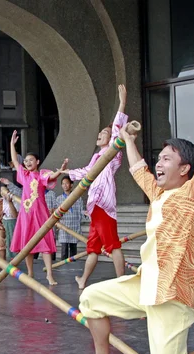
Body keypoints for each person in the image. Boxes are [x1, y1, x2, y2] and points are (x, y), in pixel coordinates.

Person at [69, 72, 194, 354]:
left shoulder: (193, 194)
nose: (159, 163)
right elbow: (139, 171)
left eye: (167, 158)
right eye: (159, 158)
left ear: (184, 169)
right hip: (146, 285)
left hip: (174, 294)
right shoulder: (160, 194)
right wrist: (129, 142)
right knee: (91, 299)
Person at [65, 84, 128, 288]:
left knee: (112, 245)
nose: (101, 133)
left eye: (105, 132)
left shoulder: (113, 152)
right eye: (101, 131)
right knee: (93, 247)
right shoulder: (97, 157)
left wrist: (123, 103)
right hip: (94, 205)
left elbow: (118, 132)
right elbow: (85, 173)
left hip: (103, 205)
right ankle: (83, 280)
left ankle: (122, 283)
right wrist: (64, 173)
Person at [9, 131, 67, 286]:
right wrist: (12, 145)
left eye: (31, 160)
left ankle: (49, 274)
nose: (27, 162)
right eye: (26, 160)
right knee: (27, 245)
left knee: (45, 243)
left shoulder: (41, 175)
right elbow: (15, 160)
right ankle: (30, 272)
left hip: (40, 213)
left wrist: (60, 171)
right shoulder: (24, 175)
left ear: (37, 162)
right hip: (26, 214)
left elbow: (52, 177)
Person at [56, 176, 84, 260]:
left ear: (71, 185)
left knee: (73, 250)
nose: (65, 185)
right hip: (64, 226)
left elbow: (81, 211)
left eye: (67, 183)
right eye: (63, 184)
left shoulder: (77, 198)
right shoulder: (58, 199)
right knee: (64, 249)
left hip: (74, 226)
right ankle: (62, 268)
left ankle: (73, 268)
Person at [0, 178, 20, 260]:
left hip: (12, 223)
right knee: (4, 242)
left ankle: (14, 260)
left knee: (13, 242)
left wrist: (10, 202)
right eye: (2, 191)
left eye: (5, 191)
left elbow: (15, 215)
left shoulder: (15, 200)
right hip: (4, 223)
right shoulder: (0, 201)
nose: (3, 193)